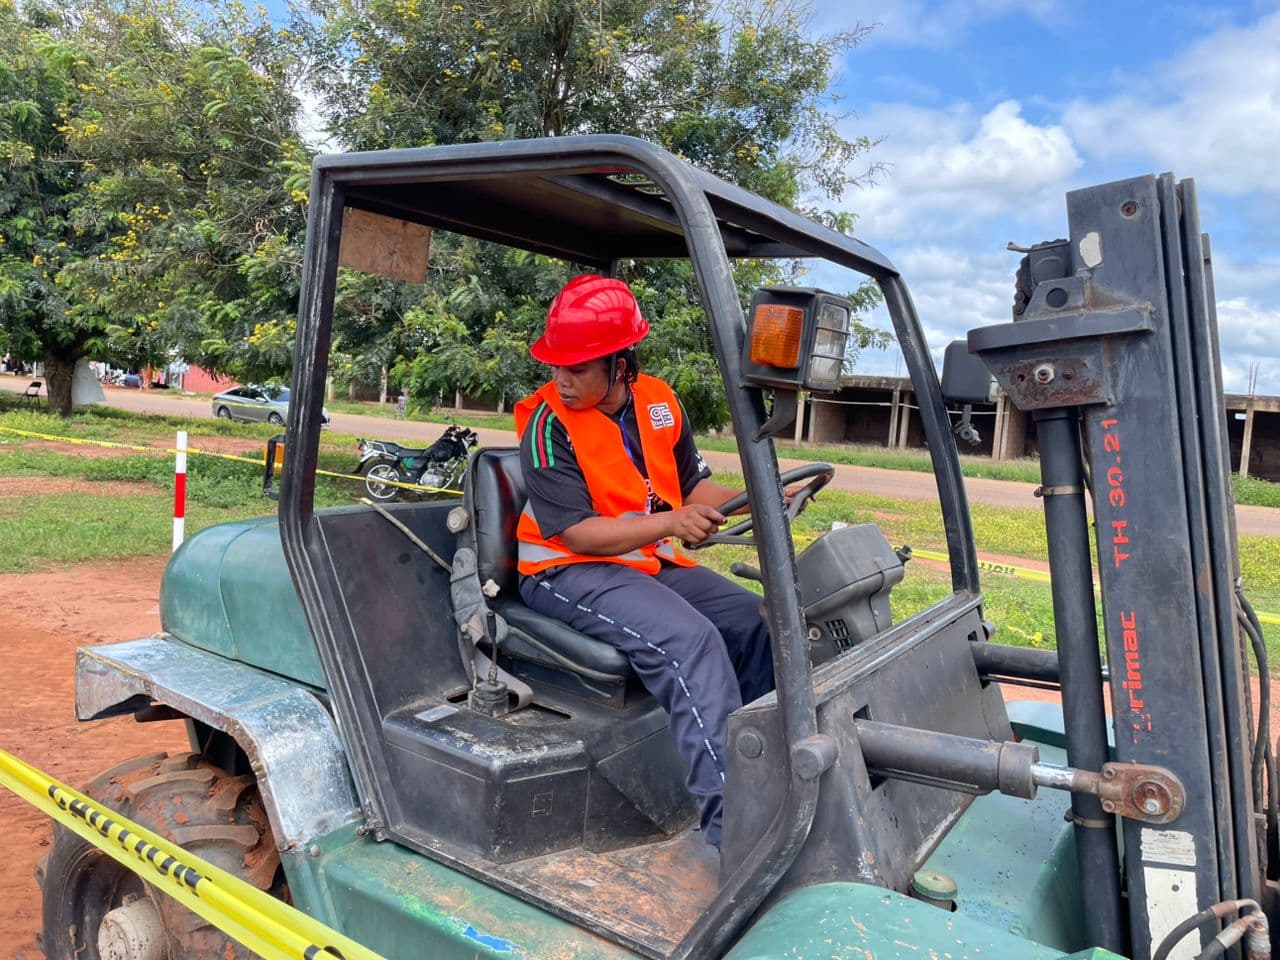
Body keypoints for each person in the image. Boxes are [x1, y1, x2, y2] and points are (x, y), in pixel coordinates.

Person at [514, 274, 774, 849]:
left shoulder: (660, 403)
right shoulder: (547, 423)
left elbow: (692, 487)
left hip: (643, 559)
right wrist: (671, 524)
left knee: (755, 619)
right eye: (556, 367)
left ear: (620, 363)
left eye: (577, 368)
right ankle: (738, 833)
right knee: (691, 642)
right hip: (564, 568)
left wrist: (757, 501)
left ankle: (775, 778)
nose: (562, 381)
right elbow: (578, 533)